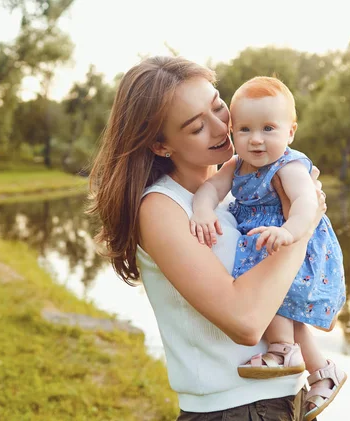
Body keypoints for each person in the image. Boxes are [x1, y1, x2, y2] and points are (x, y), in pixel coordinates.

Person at [88, 56, 327, 421]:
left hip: (285, 397)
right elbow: (246, 322)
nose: (221, 128)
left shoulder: (239, 192)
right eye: (198, 126)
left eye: (219, 107)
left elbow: (288, 289)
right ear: (160, 145)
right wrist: (303, 229)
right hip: (233, 408)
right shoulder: (161, 208)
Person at [189, 76, 347, 420]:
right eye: (244, 129)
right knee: (282, 307)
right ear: (233, 132)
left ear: (290, 132)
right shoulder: (236, 166)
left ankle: (283, 351)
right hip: (265, 243)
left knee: (278, 301)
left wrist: (289, 232)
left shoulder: (289, 165)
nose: (256, 139)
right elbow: (209, 190)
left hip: (293, 242)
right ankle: (322, 372)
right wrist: (202, 210)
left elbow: (307, 202)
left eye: (268, 129)